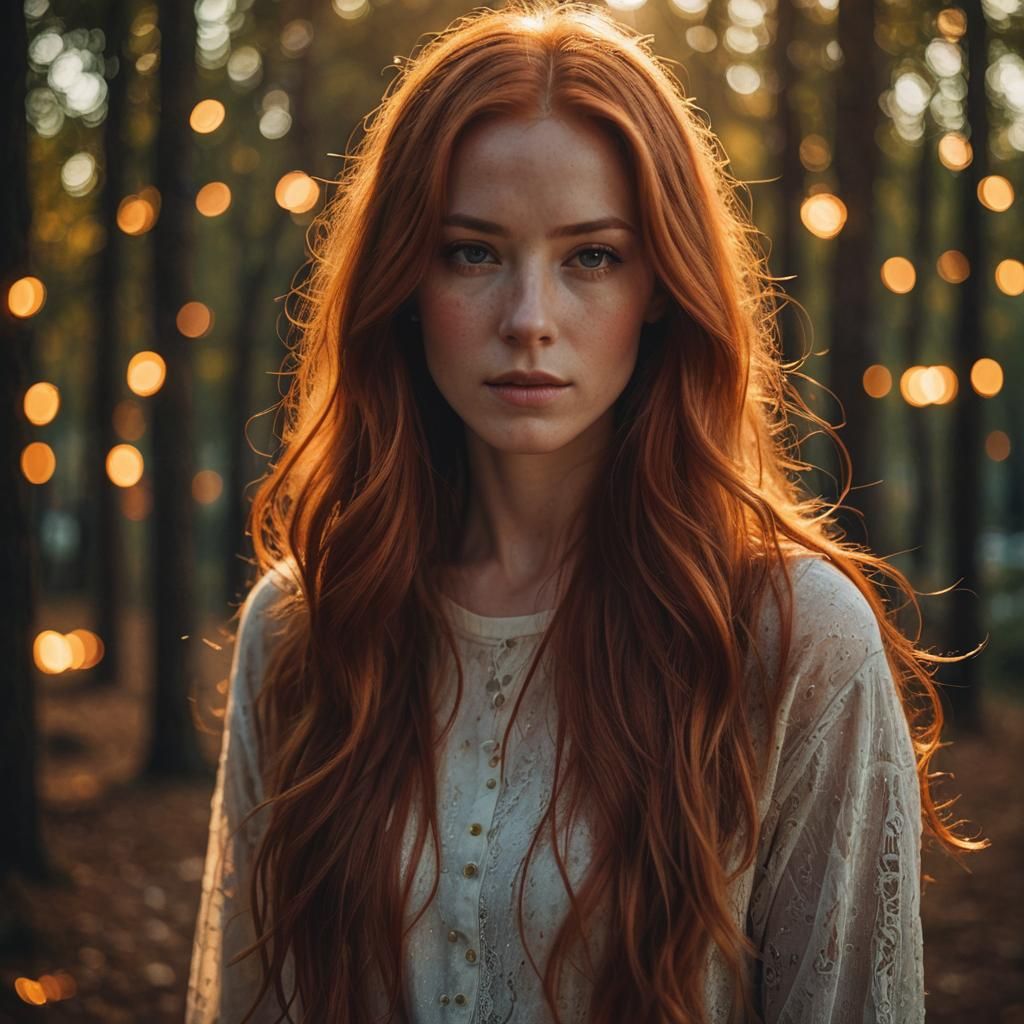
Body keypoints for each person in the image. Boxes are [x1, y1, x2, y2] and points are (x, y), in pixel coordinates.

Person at [185, 3, 986, 1022]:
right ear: (403, 277)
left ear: (661, 282)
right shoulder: (304, 625)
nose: (529, 320)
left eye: (590, 256)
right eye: (472, 253)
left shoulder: (792, 638)